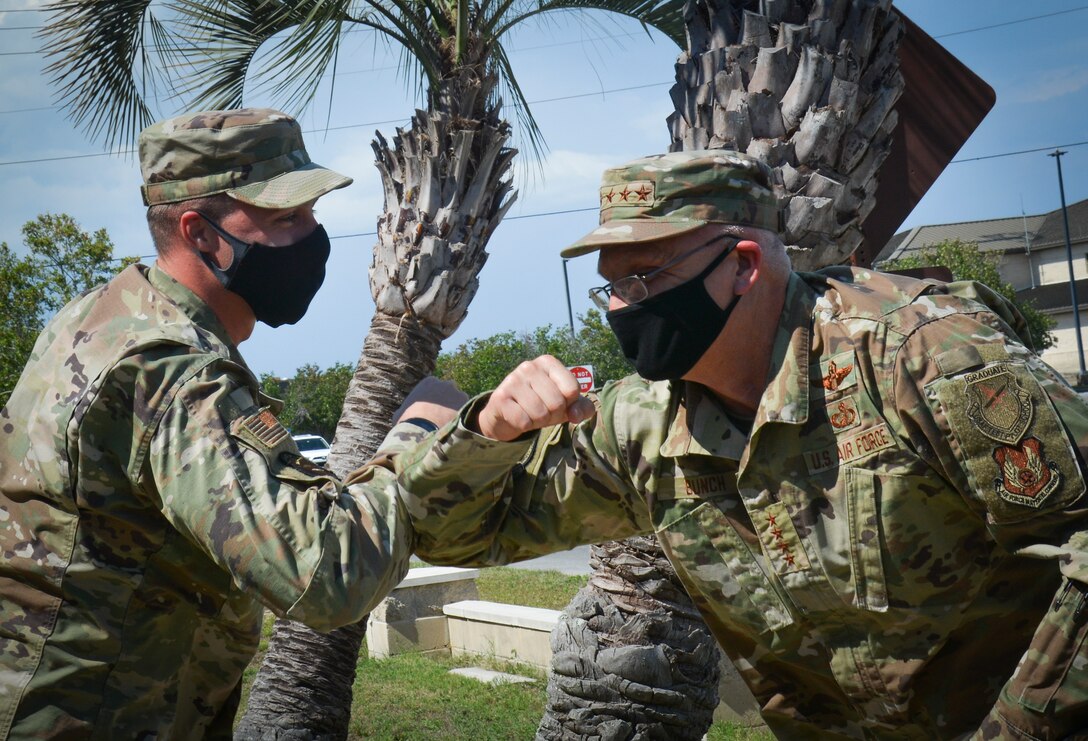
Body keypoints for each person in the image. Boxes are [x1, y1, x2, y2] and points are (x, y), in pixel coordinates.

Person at [393, 150, 1088, 738]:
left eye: (644, 280)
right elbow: (451, 535)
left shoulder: (920, 352)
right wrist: (487, 432)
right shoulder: (641, 423)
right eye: (609, 287)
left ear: (744, 265)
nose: (622, 310)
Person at [0, 109, 449, 739]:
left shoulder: (102, 319)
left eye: (312, 214)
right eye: (284, 218)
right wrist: (422, 430)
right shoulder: (169, 371)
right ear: (200, 232)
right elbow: (324, 576)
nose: (312, 237)